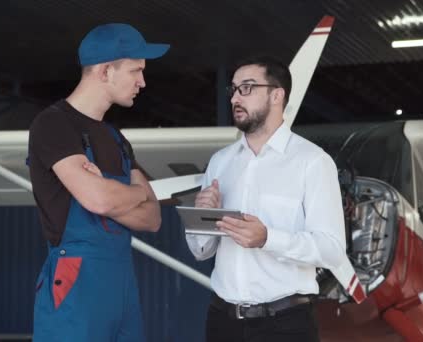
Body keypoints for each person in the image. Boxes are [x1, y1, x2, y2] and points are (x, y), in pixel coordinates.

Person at [186, 56, 346, 342]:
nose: (235, 97)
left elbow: (331, 250)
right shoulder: (220, 162)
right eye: (233, 90)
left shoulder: (313, 162)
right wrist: (202, 216)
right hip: (223, 322)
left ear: (277, 95)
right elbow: (201, 251)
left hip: (285, 325)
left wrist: (267, 238)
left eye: (246, 88)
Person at [28, 23, 168, 342]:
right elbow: (99, 201)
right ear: (106, 71)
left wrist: (106, 192)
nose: (142, 82)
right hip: (76, 279)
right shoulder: (53, 125)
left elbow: (153, 217)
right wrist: (133, 194)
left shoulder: (116, 139)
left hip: (122, 281)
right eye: (136, 71)